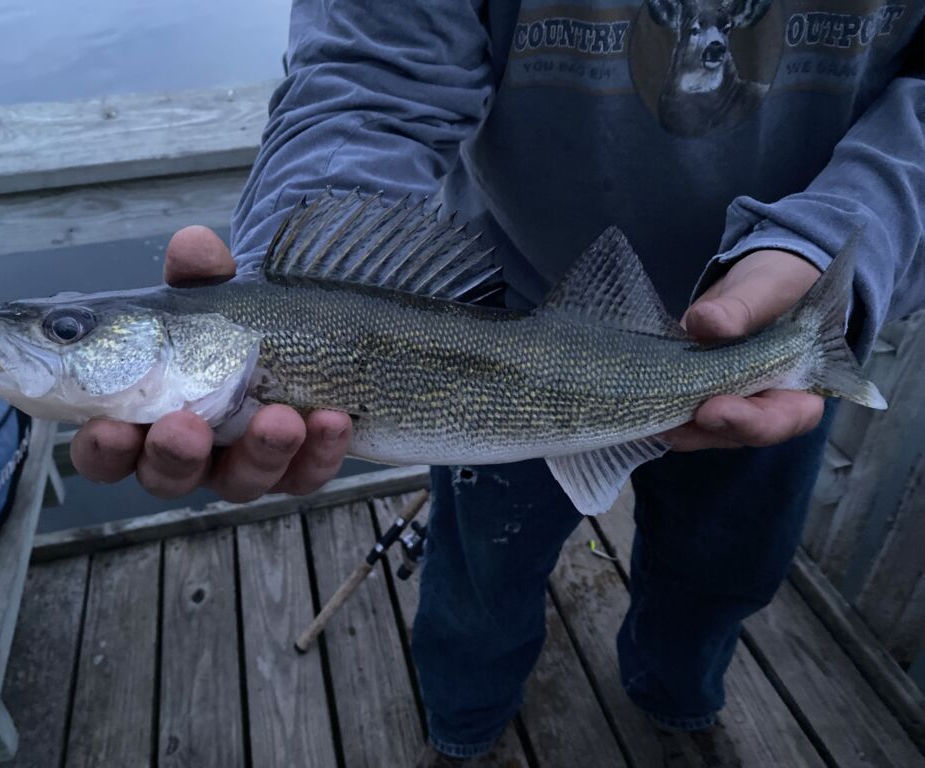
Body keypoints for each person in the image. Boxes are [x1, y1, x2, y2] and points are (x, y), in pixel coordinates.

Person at [72, 2, 925, 764]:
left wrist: (833, 246)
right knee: (480, 584)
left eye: (71, 329)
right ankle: (464, 731)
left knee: (727, 570)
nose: (68, 336)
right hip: (512, 315)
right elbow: (371, 72)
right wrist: (299, 244)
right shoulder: (250, 351)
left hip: (775, 333)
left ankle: (679, 703)